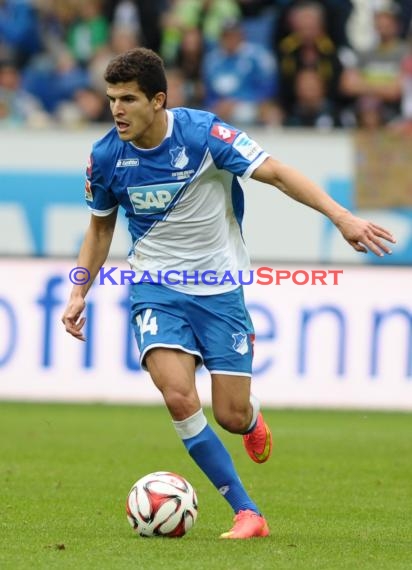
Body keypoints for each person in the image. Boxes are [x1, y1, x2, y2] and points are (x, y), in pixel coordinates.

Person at [61, 47, 396, 539]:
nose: (116, 110)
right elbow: (100, 230)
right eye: (111, 99)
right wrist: (78, 291)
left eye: (128, 99)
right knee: (177, 396)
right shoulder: (106, 155)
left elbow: (278, 172)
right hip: (154, 288)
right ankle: (247, 512)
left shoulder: (203, 135)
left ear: (158, 100)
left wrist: (341, 216)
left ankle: (253, 417)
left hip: (220, 290)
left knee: (231, 415)